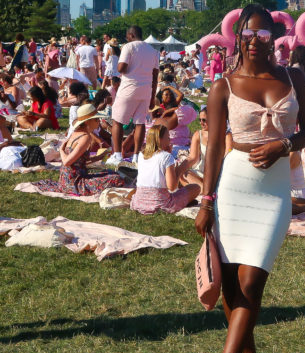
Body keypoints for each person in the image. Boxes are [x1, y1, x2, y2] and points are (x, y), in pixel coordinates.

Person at [188, 4, 305, 353]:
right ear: (237, 38)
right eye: (248, 35)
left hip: (273, 192)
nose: (255, 42)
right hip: (233, 186)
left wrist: (284, 145)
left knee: (252, 282)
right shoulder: (222, 85)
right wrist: (206, 200)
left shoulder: (293, 77)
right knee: (230, 289)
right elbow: (211, 152)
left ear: (274, 39)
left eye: (263, 36)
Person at [34, 104, 125, 195]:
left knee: (111, 173)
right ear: (87, 122)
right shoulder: (85, 137)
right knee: (116, 179)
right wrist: (61, 150)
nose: (99, 122)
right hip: (74, 183)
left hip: (66, 181)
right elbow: (67, 162)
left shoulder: (76, 133)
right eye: (96, 119)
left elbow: (78, 161)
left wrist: (99, 157)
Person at [106, 26, 159, 166]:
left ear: (131, 35)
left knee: (117, 121)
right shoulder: (153, 51)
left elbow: (121, 68)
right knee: (140, 123)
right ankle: (136, 156)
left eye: (127, 36)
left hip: (129, 88)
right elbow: (155, 75)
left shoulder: (129, 47)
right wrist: (153, 96)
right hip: (146, 90)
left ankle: (117, 155)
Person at [130, 124, 199, 214]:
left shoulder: (141, 155)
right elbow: (172, 187)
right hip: (161, 204)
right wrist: (179, 170)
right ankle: (184, 202)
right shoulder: (166, 157)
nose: (170, 140)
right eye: (168, 137)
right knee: (195, 188)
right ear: (160, 139)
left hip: (139, 202)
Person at [182, 107, 233, 186]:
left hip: (217, 174)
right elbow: (192, 157)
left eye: (204, 120)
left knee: (186, 182)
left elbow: (227, 158)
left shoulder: (226, 136)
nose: (201, 123)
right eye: (200, 120)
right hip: (201, 172)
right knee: (183, 174)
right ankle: (205, 190)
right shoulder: (198, 134)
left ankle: (201, 189)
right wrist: (180, 168)